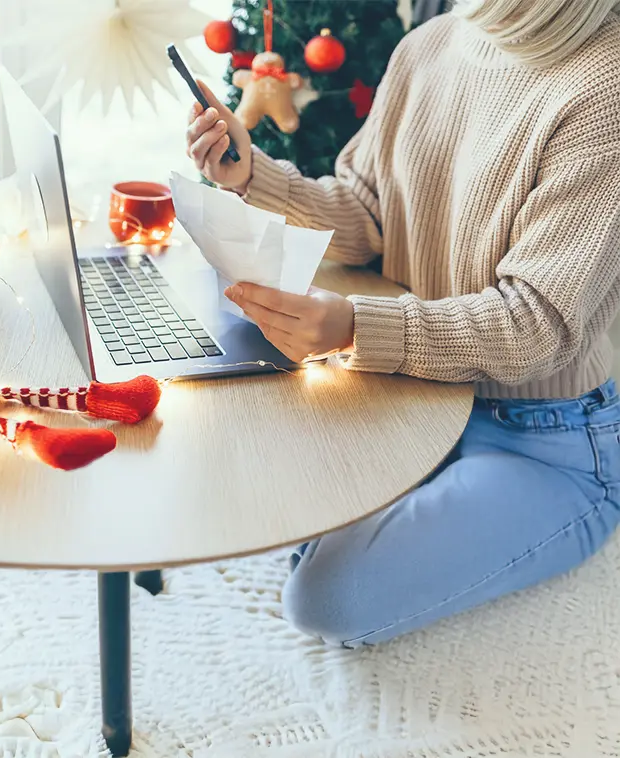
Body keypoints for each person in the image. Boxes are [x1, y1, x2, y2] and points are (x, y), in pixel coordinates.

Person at [185, 0, 620, 648]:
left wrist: (355, 327)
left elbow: (535, 323)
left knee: (324, 597)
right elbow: (366, 213)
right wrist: (252, 176)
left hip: (541, 439)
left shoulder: (603, 84)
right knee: (232, 458)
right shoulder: (431, 44)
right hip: (417, 395)